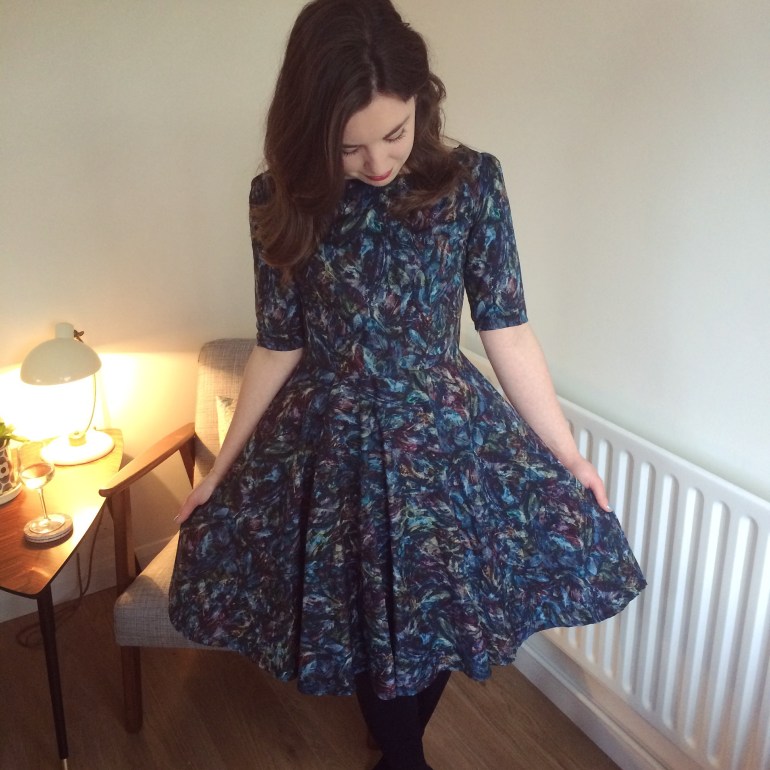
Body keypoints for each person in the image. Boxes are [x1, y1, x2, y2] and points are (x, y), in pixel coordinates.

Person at [169, 1, 646, 768]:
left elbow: (507, 329)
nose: (377, 161)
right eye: (350, 147)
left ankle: (399, 750)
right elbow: (278, 345)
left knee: (444, 611)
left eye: (395, 133)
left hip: (442, 441)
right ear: (311, 130)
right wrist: (219, 471)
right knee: (366, 624)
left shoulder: (472, 184)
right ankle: (403, 757)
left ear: (423, 101)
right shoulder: (277, 197)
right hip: (333, 449)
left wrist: (568, 455)